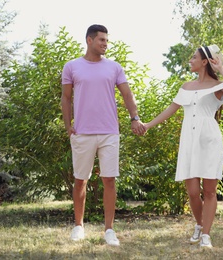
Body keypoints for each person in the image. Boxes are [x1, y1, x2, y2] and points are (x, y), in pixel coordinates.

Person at [144, 44, 223, 248]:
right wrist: (148, 125)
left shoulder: (218, 86)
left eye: (194, 57)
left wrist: (221, 68)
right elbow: (171, 109)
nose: (190, 60)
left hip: (210, 140)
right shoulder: (186, 87)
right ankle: (199, 223)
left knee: (210, 191)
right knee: (193, 192)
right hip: (189, 140)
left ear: (205, 61)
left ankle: (206, 235)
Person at [61, 24, 146, 246]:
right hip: (82, 133)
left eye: (107, 40)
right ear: (89, 40)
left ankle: (109, 230)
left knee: (109, 179)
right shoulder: (72, 67)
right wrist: (67, 124)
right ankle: (78, 226)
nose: (105, 44)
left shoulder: (114, 68)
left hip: (109, 132)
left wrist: (134, 118)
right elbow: (66, 98)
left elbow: (127, 94)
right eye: (101, 40)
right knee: (80, 180)